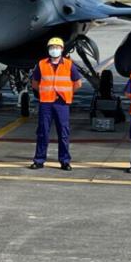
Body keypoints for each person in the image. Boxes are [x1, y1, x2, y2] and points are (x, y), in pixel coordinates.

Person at [29, 37, 82, 171]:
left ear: (62, 49)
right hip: (46, 102)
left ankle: (65, 160)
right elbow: (35, 83)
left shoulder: (69, 64)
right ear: (48, 49)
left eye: (57, 47)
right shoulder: (41, 64)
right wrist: (44, 92)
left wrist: (67, 93)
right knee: (42, 132)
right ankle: (39, 160)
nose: (54, 50)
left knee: (63, 133)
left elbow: (78, 83)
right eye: (52, 47)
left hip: (61, 103)